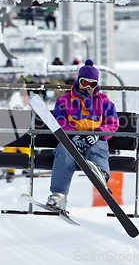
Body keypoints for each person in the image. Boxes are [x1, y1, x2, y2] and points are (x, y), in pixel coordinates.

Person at [46, 59, 119, 211]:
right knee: (64, 152)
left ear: (96, 85)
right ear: (79, 81)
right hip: (72, 140)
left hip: (94, 139)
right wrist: (72, 136)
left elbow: (113, 123)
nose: (88, 87)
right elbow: (59, 121)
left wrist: (98, 134)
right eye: (85, 83)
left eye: (92, 84)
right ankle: (59, 194)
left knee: (98, 149)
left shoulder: (103, 101)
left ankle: (100, 174)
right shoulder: (64, 101)